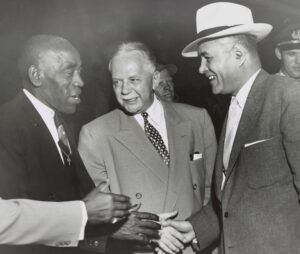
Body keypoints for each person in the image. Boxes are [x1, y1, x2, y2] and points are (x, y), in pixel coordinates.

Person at [159, 2, 300, 254]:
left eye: (207, 57)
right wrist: (196, 228)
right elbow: (234, 197)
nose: (201, 68)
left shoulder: (289, 96)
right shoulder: (234, 107)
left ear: (238, 54)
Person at [0, 34, 159, 254]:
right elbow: (14, 225)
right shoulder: (6, 125)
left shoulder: (60, 123)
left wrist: (112, 223)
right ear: (37, 75)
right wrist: (98, 226)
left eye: (80, 71)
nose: (80, 82)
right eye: (69, 71)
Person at [78, 42, 217, 254]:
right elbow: (98, 212)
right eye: (117, 82)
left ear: (154, 79)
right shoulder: (95, 134)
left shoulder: (197, 119)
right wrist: (150, 232)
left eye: (134, 80)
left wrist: (198, 230)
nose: (125, 91)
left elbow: (212, 192)